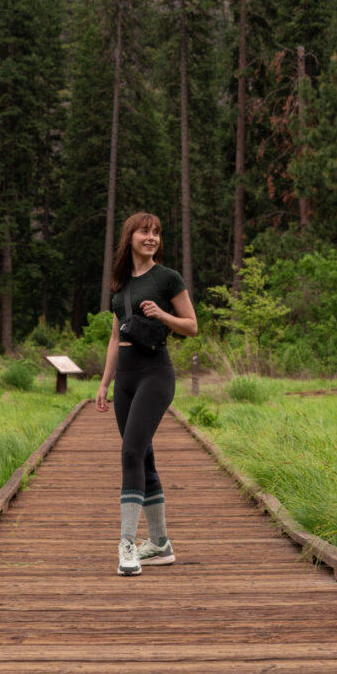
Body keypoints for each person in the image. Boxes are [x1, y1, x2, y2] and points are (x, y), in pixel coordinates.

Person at [95, 211, 198, 575]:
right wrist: (105, 383)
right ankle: (159, 544)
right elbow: (113, 337)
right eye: (144, 232)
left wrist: (162, 315)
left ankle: (126, 544)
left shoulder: (167, 278)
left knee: (131, 453)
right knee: (144, 459)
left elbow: (191, 326)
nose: (151, 237)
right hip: (124, 378)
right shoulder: (120, 286)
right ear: (130, 237)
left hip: (156, 374)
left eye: (156, 232)